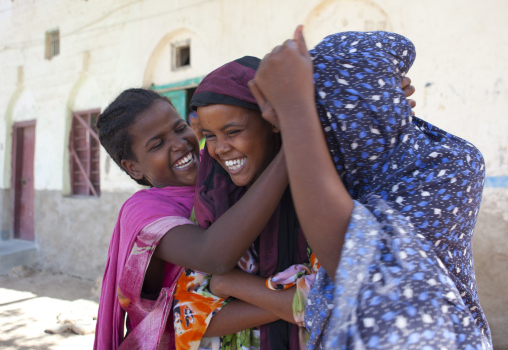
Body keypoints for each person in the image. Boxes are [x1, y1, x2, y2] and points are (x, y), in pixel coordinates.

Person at [247, 26, 492, 349]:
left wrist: (295, 109)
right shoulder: (358, 175)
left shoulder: (449, 166)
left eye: (321, 119)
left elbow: (353, 250)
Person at [185, 55, 416, 350]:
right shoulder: (213, 201)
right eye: (209, 136)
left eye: (233, 132)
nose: (219, 148)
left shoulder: (327, 191)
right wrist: (293, 305)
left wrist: (229, 284)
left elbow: (347, 300)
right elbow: (192, 317)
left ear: (273, 122)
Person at [93, 88, 293, 350]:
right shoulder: (142, 211)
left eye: (179, 128)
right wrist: (291, 149)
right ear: (134, 167)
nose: (179, 143)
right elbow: (213, 257)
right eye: (157, 144)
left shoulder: (221, 165)